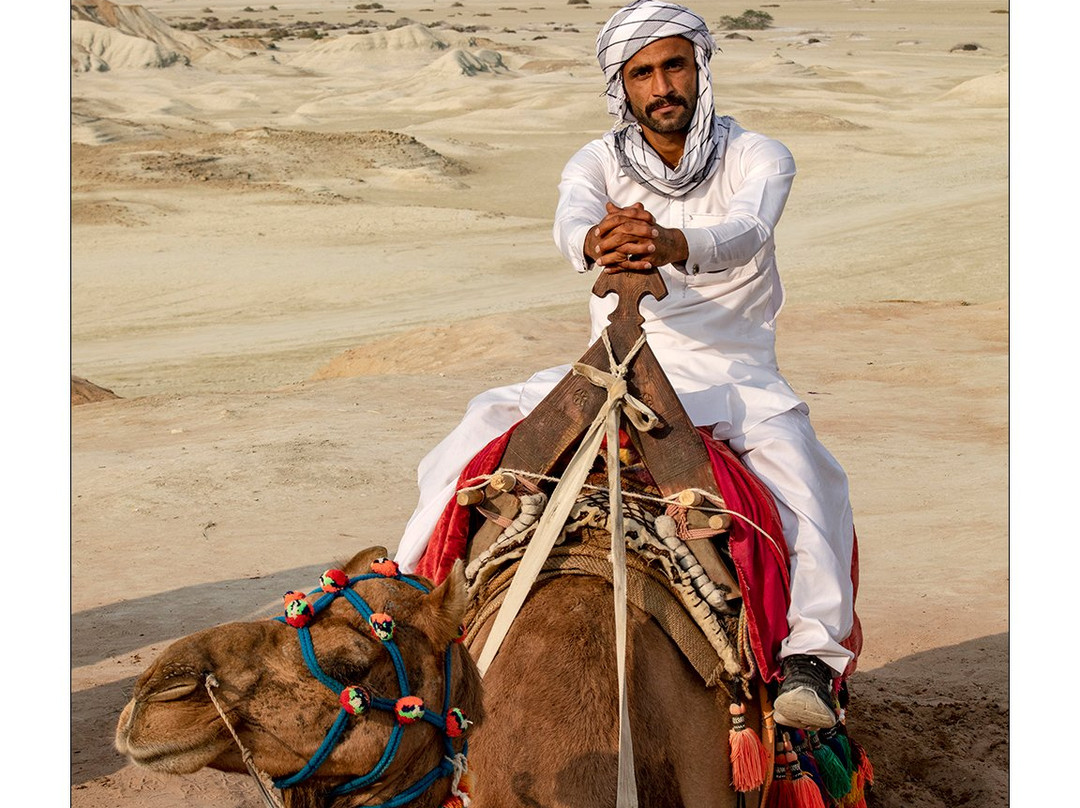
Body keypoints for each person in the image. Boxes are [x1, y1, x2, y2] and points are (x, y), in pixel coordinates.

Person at [394, 0, 854, 731]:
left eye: (675, 65)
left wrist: (669, 242)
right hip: (619, 359)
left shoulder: (758, 155)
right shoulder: (599, 160)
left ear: (699, 69)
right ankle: (410, 610)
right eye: (643, 72)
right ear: (623, 85)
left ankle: (810, 660)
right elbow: (570, 219)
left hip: (731, 376)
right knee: (471, 433)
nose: (662, 85)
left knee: (807, 479)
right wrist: (599, 240)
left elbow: (746, 230)